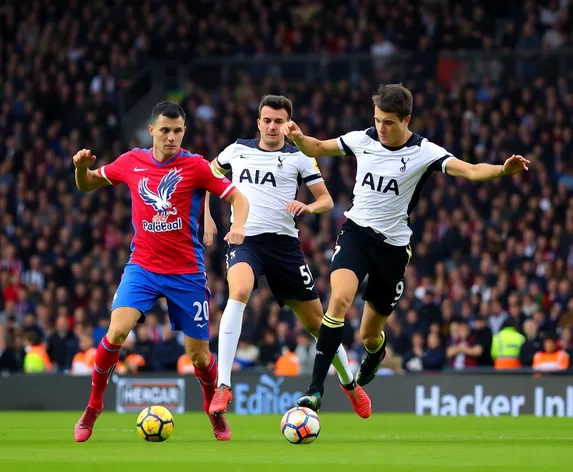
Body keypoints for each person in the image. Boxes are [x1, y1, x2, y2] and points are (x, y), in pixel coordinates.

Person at [280, 83, 530, 411]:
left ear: (406, 120)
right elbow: (316, 147)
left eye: (388, 122)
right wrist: (298, 137)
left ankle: (377, 353)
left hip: (393, 249)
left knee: (370, 335)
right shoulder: (363, 139)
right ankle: (315, 390)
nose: (380, 128)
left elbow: (468, 170)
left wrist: (502, 169)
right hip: (356, 234)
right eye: (378, 120)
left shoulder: (423, 152)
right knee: (338, 300)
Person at [72, 101, 249, 442]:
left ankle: (214, 411)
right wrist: (80, 169)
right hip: (143, 268)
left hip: (186, 273)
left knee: (198, 355)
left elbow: (238, 199)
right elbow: (88, 184)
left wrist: (238, 226)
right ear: (151, 130)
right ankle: (93, 407)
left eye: (178, 131)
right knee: (116, 333)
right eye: (165, 130)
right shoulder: (131, 161)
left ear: (184, 132)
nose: (171, 137)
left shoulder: (196, 166)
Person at [204, 95, 371, 421]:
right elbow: (205, 178)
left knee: (316, 323)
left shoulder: (299, 157)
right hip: (245, 240)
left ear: (287, 124)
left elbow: (325, 200)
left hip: (284, 247)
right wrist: (208, 217)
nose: (271, 126)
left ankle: (349, 384)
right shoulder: (236, 150)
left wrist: (307, 207)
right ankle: (223, 385)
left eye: (278, 121)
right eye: (266, 120)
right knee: (237, 291)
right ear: (258, 122)